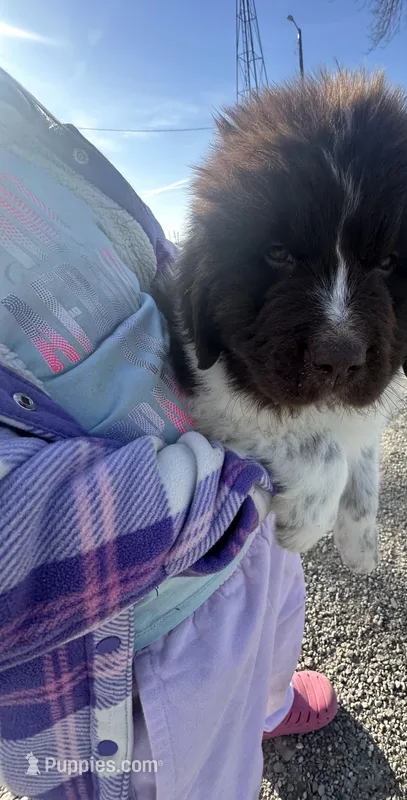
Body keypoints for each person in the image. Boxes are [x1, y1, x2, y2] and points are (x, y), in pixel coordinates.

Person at [0, 67, 337, 800]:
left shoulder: (14, 103)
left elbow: (142, 258)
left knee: (279, 607)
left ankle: (268, 704)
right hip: (136, 639)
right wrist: (234, 473)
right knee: (206, 773)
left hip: (244, 505)